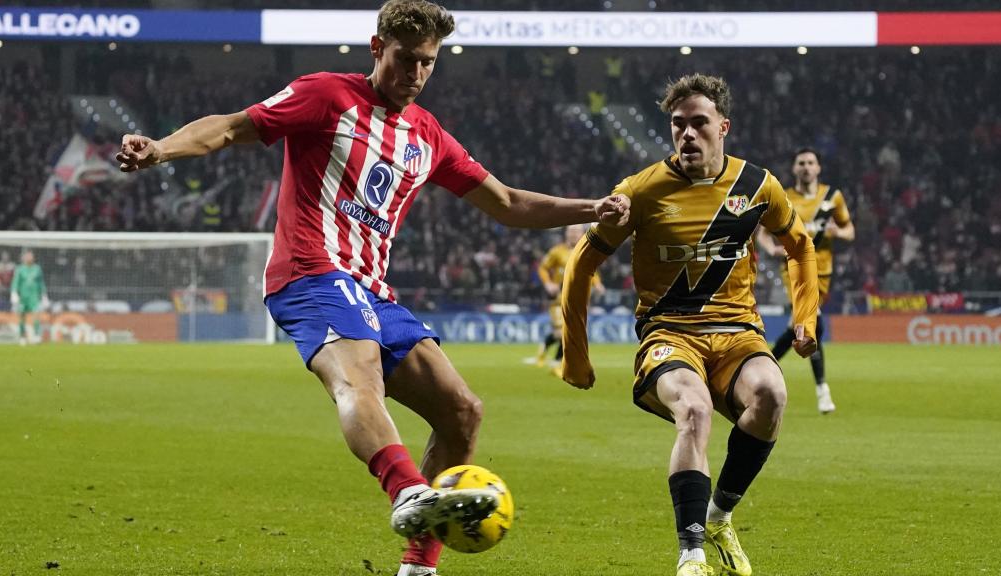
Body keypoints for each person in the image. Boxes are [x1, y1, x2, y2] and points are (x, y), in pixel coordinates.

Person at [115, 2, 629, 575]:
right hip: (309, 273)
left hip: (373, 290)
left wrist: (594, 209)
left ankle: (419, 565)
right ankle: (408, 491)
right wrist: (161, 148)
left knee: (462, 411)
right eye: (406, 59)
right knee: (358, 378)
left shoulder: (427, 135)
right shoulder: (326, 95)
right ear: (376, 47)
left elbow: (507, 203)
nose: (415, 73)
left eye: (427, 63)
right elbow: (235, 127)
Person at [559, 74, 818, 576]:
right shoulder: (640, 191)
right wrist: (576, 354)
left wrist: (804, 316)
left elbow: (800, 247)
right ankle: (692, 555)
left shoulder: (758, 186)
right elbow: (580, 264)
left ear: (723, 126)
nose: (688, 134)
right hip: (669, 334)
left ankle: (719, 517)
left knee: (772, 394)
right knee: (694, 411)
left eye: (699, 123)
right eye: (678, 125)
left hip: (737, 333)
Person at [756, 148, 854, 414]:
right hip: (795, 270)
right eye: (801, 163)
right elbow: (762, 234)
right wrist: (770, 248)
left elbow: (849, 230)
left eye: (811, 163)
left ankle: (762, 367)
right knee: (813, 321)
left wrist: (837, 231)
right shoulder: (784, 197)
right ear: (794, 168)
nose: (806, 167)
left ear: (818, 168)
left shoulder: (832, 197)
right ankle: (823, 391)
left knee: (800, 327)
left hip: (823, 272)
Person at [531, 224, 605, 371]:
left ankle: (547, 354)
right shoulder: (557, 251)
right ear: (566, 234)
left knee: (568, 332)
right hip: (559, 299)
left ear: (583, 233)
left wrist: (598, 284)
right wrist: (548, 283)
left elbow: (592, 271)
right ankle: (559, 363)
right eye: (571, 231)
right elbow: (543, 268)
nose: (573, 234)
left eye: (576, 231)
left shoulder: (587, 251)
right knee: (562, 332)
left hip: (579, 299)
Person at [11, 250, 48, 346]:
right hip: (23, 297)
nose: (29, 258)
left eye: (31, 256)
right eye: (27, 256)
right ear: (24, 258)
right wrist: (14, 293)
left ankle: (36, 336)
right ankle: (22, 337)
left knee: (36, 316)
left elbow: (41, 283)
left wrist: (44, 295)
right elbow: (15, 282)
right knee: (21, 317)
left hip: (34, 297)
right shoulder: (19, 269)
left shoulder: (37, 268)